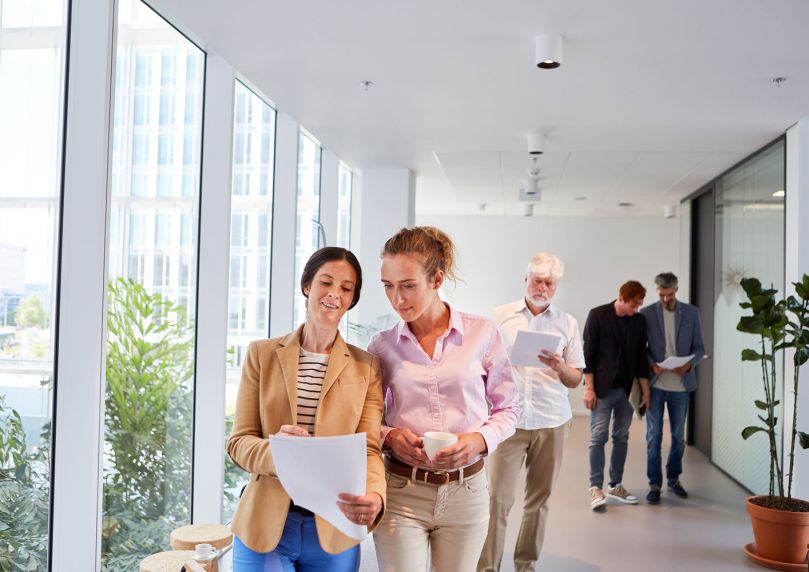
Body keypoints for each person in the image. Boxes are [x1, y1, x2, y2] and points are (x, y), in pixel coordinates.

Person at [368, 226, 520, 572]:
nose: (397, 299)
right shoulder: (381, 345)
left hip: (467, 493)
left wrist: (479, 440)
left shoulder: (482, 333)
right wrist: (390, 436)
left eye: (408, 286)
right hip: (402, 490)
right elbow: (365, 418)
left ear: (436, 279)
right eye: (388, 286)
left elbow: (509, 406)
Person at [227, 247, 385, 571]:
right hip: (265, 523)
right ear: (307, 285)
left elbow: (369, 449)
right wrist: (281, 453)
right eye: (326, 282)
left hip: (334, 528)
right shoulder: (261, 355)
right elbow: (239, 443)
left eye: (346, 288)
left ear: (351, 299)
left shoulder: (366, 367)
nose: (334, 294)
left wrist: (376, 496)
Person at [478, 252, 584, 572]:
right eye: (537, 281)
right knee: (497, 499)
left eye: (549, 283)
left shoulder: (567, 323)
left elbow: (575, 379)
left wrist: (559, 365)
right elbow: (481, 365)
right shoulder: (500, 316)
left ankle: (526, 564)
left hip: (552, 420)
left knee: (539, 501)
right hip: (509, 421)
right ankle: (487, 567)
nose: (542, 288)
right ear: (525, 280)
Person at [582, 280, 650, 510]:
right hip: (601, 389)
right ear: (621, 298)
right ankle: (595, 488)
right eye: (633, 305)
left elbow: (641, 358)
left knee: (621, 437)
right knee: (598, 437)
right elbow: (588, 355)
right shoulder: (597, 315)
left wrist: (645, 391)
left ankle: (615, 485)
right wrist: (589, 388)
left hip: (628, 391)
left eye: (639, 305)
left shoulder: (639, 321)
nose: (637, 309)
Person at [640, 272, 705, 503]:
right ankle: (654, 483)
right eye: (661, 295)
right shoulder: (646, 313)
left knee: (678, 436)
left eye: (669, 294)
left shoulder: (691, 313)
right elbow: (641, 348)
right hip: (656, 384)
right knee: (653, 436)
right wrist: (652, 364)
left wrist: (688, 365)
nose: (666, 299)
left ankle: (674, 478)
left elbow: (699, 349)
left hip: (681, 386)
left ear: (676, 290)